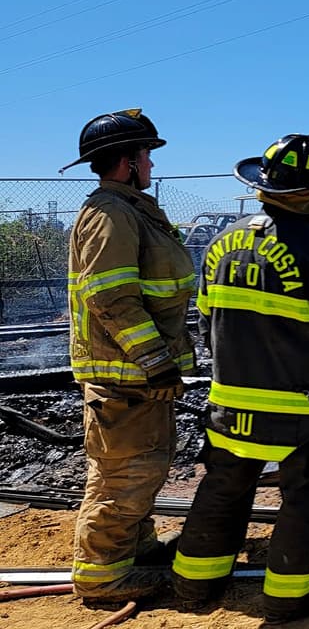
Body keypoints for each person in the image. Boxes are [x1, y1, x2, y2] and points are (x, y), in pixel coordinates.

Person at [172, 132, 309, 623]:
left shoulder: (222, 242)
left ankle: (193, 586)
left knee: (223, 487)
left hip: (231, 404)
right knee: (305, 496)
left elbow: (206, 320)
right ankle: (287, 599)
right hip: (304, 408)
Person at [63, 108, 195, 603]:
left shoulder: (130, 209)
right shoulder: (111, 215)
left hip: (137, 378)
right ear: (127, 162)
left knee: (143, 471)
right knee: (122, 479)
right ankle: (102, 577)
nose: (152, 164)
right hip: (127, 377)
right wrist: (155, 360)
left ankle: (134, 552)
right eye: (146, 155)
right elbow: (111, 297)